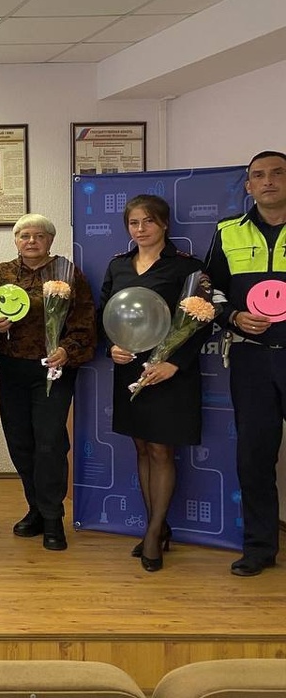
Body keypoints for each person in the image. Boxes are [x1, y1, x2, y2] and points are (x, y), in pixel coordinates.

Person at [99, 195, 208, 573]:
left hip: (169, 373)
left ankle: (152, 535)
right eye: (134, 223)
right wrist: (111, 346)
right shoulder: (118, 265)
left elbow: (201, 319)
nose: (141, 229)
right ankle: (156, 527)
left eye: (148, 221)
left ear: (164, 224)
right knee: (142, 448)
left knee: (161, 451)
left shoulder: (187, 267)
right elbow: (104, 314)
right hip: (130, 370)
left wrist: (173, 363)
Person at [0, 214, 96, 552]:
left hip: (53, 371)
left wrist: (66, 349)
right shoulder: (2, 274)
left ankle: (53, 517)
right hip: (12, 369)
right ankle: (36, 508)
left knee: (50, 444)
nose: (31, 241)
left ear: (50, 240)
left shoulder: (67, 273)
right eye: (24, 235)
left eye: (39, 236)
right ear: (16, 240)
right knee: (20, 443)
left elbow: (85, 323)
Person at [204, 150, 286, 577]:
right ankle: (259, 547)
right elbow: (210, 290)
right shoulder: (227, 231)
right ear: (249, 186)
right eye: (259, 175)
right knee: (254, 458)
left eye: (277, 173)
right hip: (251, 360)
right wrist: (233, 316)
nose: (268, 181)